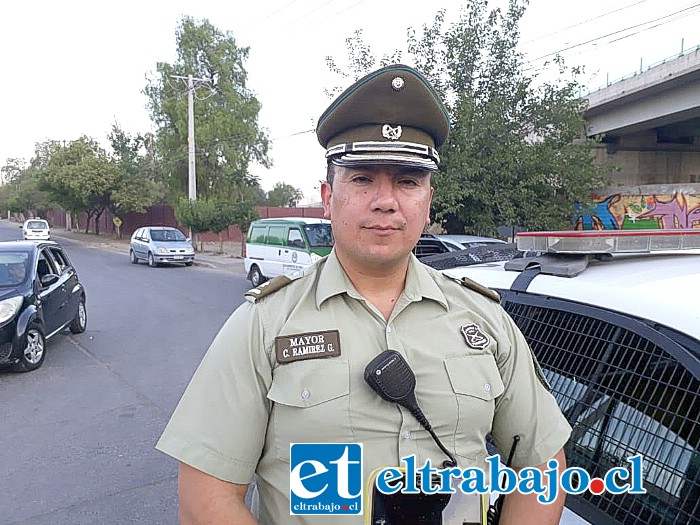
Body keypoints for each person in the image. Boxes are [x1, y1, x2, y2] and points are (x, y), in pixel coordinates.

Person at [156, 64, 572, 525]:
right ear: (328, 195)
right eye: (362, 178)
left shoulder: (485, 321)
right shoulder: (265, 325)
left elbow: (542, 463)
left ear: (428, 200)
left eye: (408, 181)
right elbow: (204, 497)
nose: (386, 200)